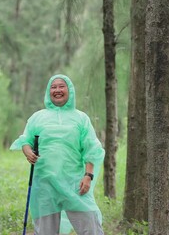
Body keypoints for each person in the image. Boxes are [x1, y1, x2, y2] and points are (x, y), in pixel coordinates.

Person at [10, 74, 105, 235]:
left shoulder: (81, 118)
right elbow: (25, 139)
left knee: (92, 229)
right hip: (45, 184)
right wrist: (27, 151)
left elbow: (91, 148)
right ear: (48, 92)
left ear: (70, 91)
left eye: (62, 86)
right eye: (53, 87)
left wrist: (88, 175)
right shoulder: (37, 117)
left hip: (74, 183)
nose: (57, 90)